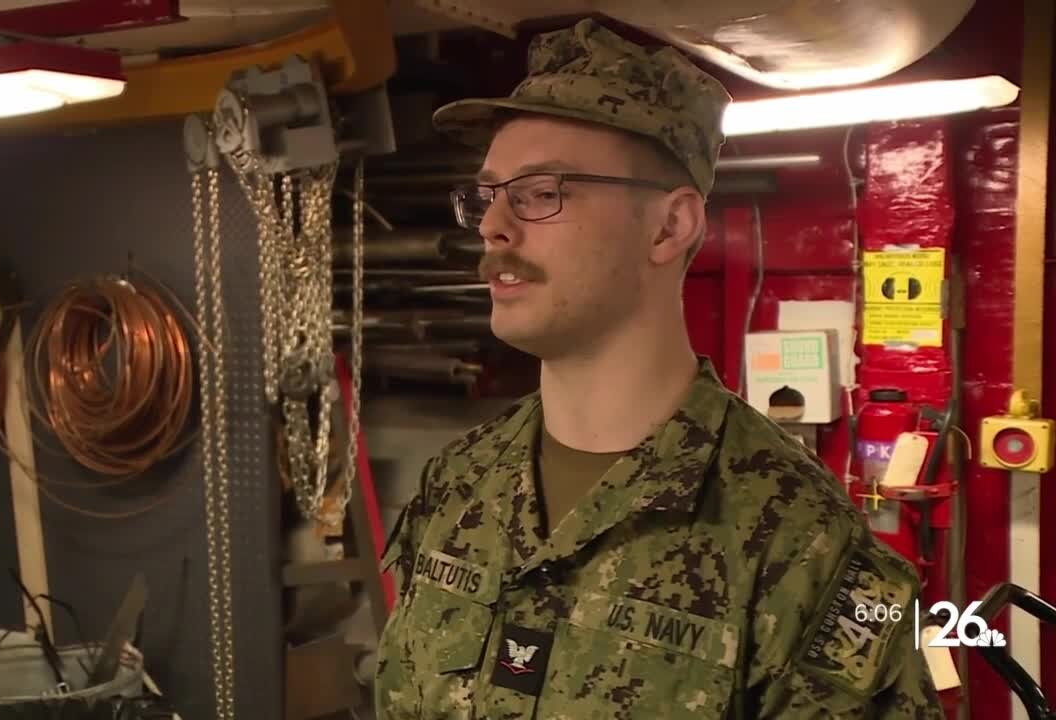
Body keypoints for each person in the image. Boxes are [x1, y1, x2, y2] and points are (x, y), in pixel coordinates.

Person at [373, 17, 944, 720]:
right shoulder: (459, 483)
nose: (494, 226)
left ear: (670, 228)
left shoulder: (801, 547)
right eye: (488, 194)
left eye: (541, 191)